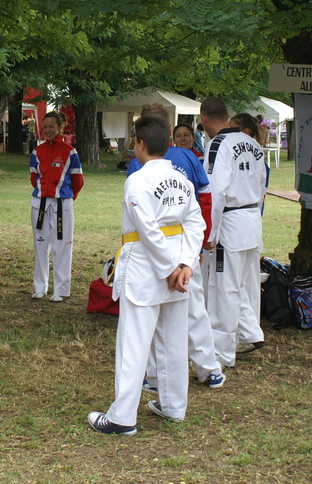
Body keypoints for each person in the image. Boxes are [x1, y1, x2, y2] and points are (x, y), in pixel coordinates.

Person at [87, 115, 204, 435]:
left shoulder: (138, 180)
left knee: (134, 343)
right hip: (177, 269)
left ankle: (122, 417)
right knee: (173, 341)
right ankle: (173, 405)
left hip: (147, 267)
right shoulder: (181, 179)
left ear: (140, 144)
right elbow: (196, 224)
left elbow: (148, 229)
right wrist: (185, 265)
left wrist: (172, 268)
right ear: (168, 143)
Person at [129, 105, 222, 392]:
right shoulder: (187, 157)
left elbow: (139, 215)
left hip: (157, 248)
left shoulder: (141, 164)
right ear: (169, 131)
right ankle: (208, 368)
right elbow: (205, 199)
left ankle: (157, 375)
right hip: (185, 246)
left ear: (142, 139)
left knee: (154, 314)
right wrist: (199, 243)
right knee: (193, 309)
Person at [201, 97, 267, 366]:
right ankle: (250, 332)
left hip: (230, 220)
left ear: (203, 119)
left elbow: (215, 191)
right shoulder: (253, 144)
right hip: (251, 217)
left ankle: (222, 352)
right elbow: (262, 185)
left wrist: (210, 233)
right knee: (240, 284)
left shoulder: (218, 144)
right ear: (227, 114)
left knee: (224, 288)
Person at [29, 111, 84, 302]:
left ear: (60, 127)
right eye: (45, 127)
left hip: (62, 204)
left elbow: (78, 181)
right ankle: (40, 287)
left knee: (62, 246)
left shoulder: (70, 152)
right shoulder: (37, 151)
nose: (47, 130)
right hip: (40, 204)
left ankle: (61, 289)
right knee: (40, 245)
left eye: (51, 126)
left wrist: (66, 197)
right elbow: (34, 177)